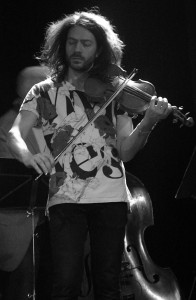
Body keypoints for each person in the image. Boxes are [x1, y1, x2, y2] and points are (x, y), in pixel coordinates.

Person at [7, 8, 172, 300]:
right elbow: (15, 134)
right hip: (64, 199)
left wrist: (147, 123)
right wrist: (27, 155)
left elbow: (126, 152)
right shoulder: (44, 92)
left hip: (111, 198)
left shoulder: (116, 94)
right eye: (72, 42)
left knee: (108, 283)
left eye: (86, 43)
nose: (77, 49)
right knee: (65, 284)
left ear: (99, 50)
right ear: (62, 45)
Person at [0, 66, 49, 300]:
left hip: (42, 219)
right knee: (22, 288)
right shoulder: (8, 125)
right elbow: (14, 181)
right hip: (18, 223)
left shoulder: (45, 122)